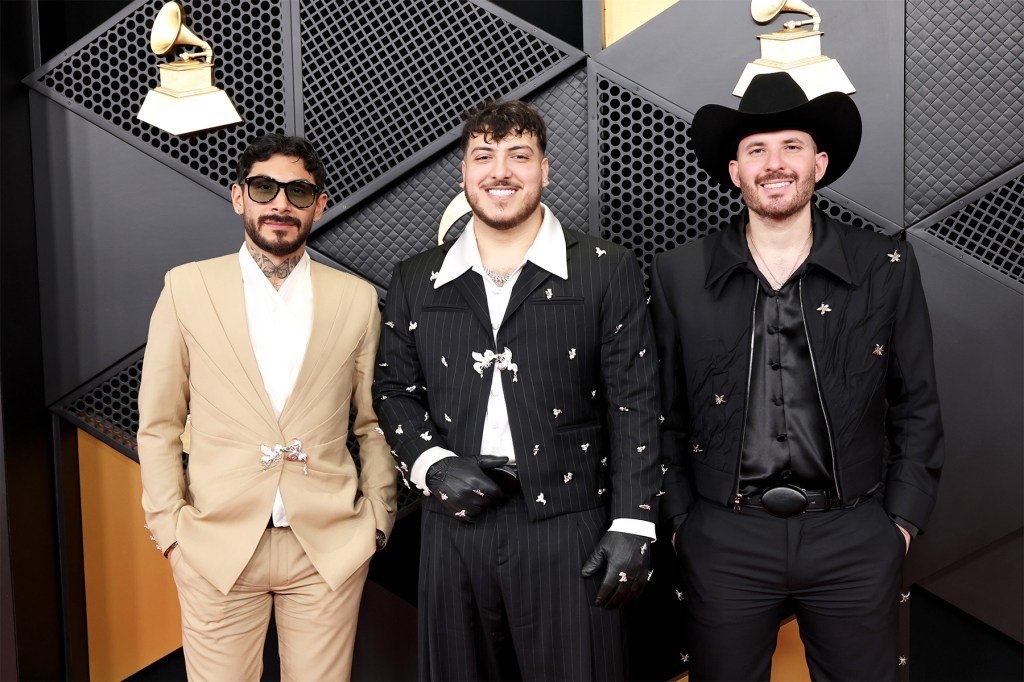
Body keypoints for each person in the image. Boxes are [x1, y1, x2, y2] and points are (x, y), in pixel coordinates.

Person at [650, 72, 943, 681]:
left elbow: (917, 404)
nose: (774, 163)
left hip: (853, 533)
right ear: (735, 172)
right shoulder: (678, 272)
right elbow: (661, 410)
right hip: (724, 536)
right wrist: (683, 524)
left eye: (791, 146)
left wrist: (900, 526)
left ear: (820, 163)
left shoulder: (883, 265)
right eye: (756, 149)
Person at [373, 100, 661, 680]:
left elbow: (636, 402)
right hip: (453, 524)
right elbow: (392, 390)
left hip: (570, 524)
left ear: (545, 170)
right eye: (484, 155)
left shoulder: (608, 269)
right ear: (464, 172)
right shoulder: (414, 277)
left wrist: (635, 523)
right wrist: (430, 463)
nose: (499, 171)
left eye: (518, 155)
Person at [137, 134, 396, 681]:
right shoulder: (186, 289)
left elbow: (374, 424)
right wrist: (171, 531)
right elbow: (158, 424)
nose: (281, 203)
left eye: (299, 191)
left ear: (319, 204)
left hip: (327, 546)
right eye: (264, 187)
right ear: (239, 197)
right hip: (214, 545)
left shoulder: (356, 299)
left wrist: (377, 520)